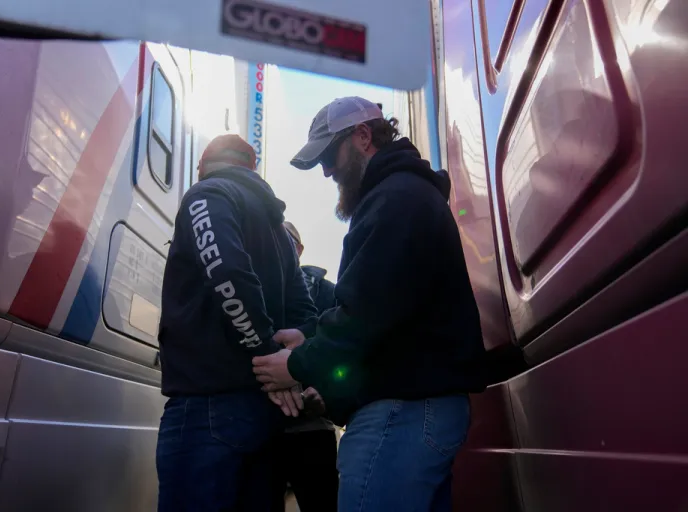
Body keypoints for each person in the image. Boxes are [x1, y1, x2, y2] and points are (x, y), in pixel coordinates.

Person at [252, 97, 486, 511]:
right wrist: (308, 336)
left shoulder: (395, 198)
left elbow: (365, 315)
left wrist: (294, 365)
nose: (326, 171)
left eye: (329, 155)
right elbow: (389, 305)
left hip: (402, 412)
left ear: (362, 136)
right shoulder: (405, 194)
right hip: (418, 409)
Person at [156, 134, 318, 512]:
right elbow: (306, 315)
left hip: (207, 408)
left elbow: (226, 271)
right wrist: (283, 368)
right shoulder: (278, 231)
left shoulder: (207, 195)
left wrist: (264, 356)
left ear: (203, 166)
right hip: (265, 415)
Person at [268, 221, 339, 512]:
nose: (277, 243)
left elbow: (341, 352)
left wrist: (325, 392)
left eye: (286, 238)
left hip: (312, 428)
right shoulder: (252, 286)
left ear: (298, 248)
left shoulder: (328, 293)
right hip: (262, 430)